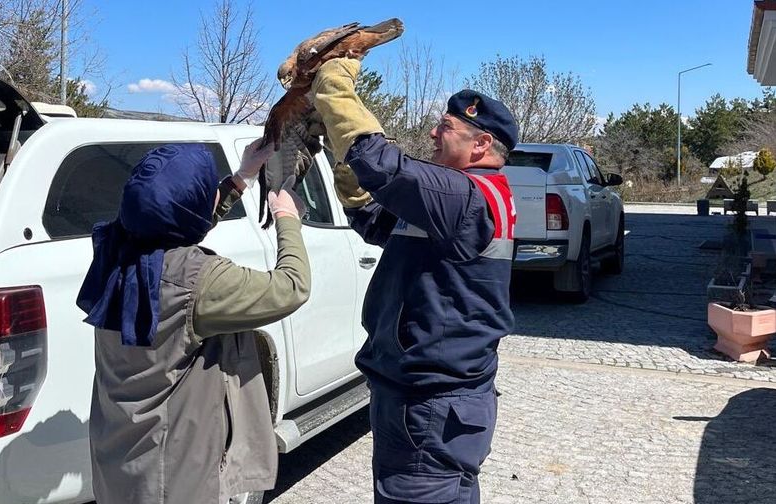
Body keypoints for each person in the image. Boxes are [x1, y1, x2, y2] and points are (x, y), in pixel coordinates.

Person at [310, 58, 519, 503]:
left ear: (481, 143)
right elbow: (378, 222)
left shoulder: (463, 195)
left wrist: (334, 84)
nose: (432, 133)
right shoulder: (462, 198)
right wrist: (345, 166)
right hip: (435, 400)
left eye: (445, 127)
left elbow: (383, 164)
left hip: (429, 404)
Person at [76, 140, 311, 504]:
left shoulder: (115, 251)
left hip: (120, 464)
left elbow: (170, 223)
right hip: (174, 476)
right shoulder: (198, 281)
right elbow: (292, 287)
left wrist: (240, 178)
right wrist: (287, 218)